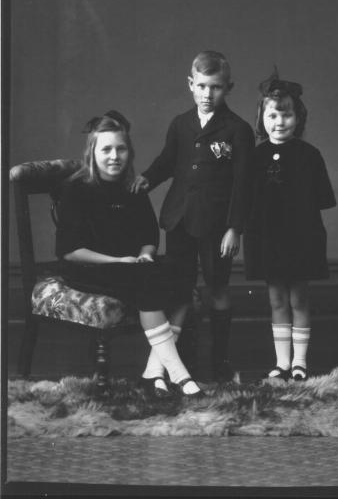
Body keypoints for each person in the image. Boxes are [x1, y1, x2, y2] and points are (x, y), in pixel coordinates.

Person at [55, 110, 203, 397]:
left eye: (120, 149)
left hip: (133, 266)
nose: (114, 156)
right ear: (92, 153)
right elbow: (70, 251)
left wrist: (146, 254)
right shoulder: (75, 189)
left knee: (185, 275)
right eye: (106, 149)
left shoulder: (131, 189)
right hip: (88, 267)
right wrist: (119, 261)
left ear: (129, 152)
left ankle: (153, 372)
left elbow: (149, 236)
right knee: (146, 280)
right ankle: (180, 374)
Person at [132, 51, 255, 382]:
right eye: (201, 86)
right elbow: (167, 161)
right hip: (180, 220)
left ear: (228, 87)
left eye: (215, 87)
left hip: (217, 226)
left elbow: (243, 185)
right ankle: (180, 361)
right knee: (179, 289)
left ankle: (219, 362)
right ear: (190, 84)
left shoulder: (238, 130)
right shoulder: (180, 123)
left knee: (217, 286)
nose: (207, 94)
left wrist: (235, 228)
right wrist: (147, 177)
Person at [244, 70, 336, 381]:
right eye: (272, 115)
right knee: (276, 299)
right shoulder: (255, 157)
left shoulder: (310, 156)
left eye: (286, 115)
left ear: (298, 118)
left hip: (301, 238)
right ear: (262, 117)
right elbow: (247, 201)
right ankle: (282, 363)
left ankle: (300, 363)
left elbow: (323, 199)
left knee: (299, 298)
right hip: (267, 238)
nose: (279, 122)